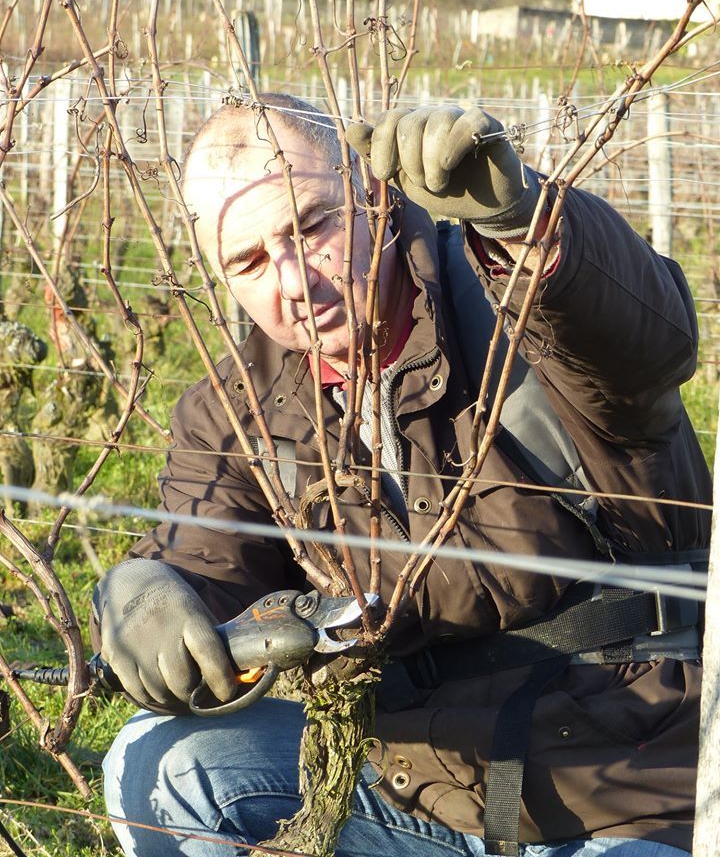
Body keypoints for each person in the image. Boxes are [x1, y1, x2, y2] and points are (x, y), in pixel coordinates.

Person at [96, 94, 711, 857]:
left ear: (377, 197)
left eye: (312, 227)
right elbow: (206, 556)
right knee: (165, 765)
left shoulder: (516, 310)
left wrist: (525, 223)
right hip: (413, 790)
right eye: (250, 262)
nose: (293, 281)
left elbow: (651, 345)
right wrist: (154, 588)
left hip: (633, 794)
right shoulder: (237, 409)